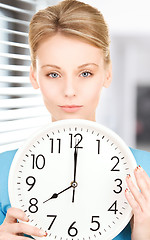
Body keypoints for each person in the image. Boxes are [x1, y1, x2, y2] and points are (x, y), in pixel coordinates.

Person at [0, 0, 150, 239]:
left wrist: (143, 231)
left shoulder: (146, 171)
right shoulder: (4, 171)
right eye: (53, 74)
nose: (69, 90)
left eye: (85, 73)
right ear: (34, 76)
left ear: (107, 73)